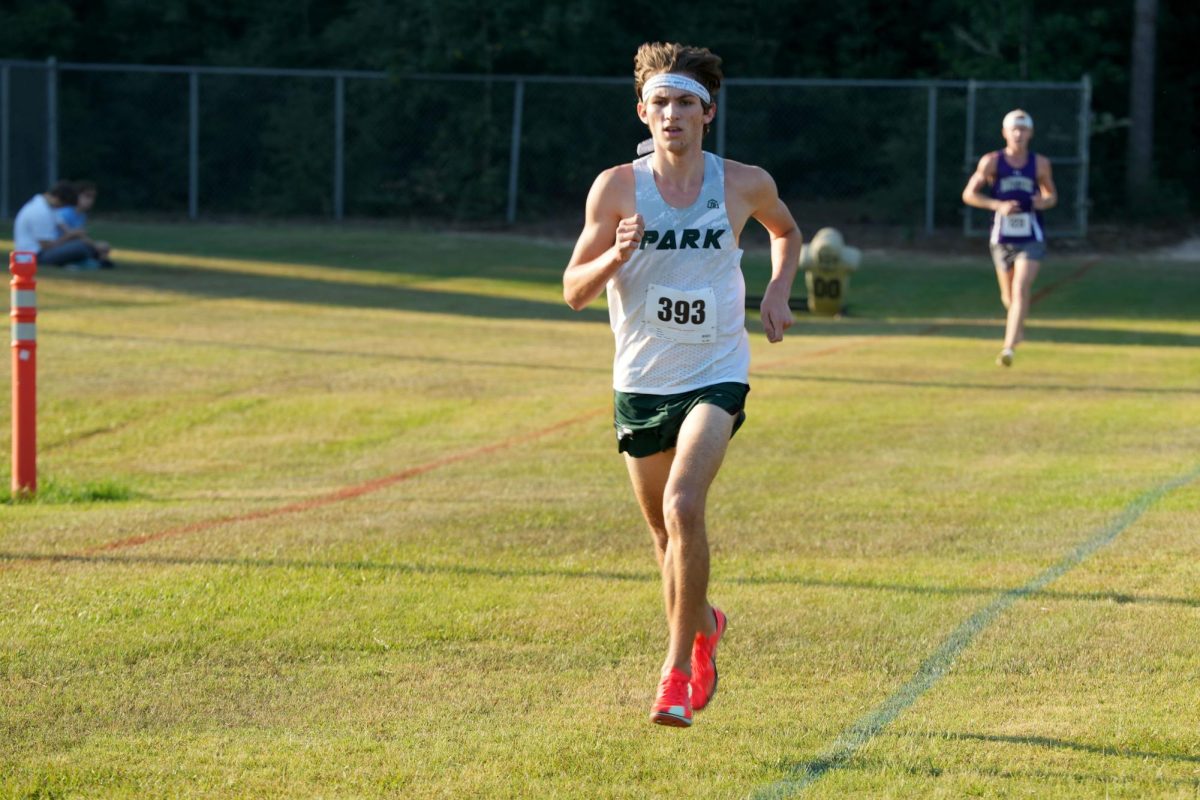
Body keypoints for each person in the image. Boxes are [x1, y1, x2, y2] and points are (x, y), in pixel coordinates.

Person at [563, 42, 803, 728]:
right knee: (667, 544)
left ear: (708, 113)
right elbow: (574, 291)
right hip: (640, 379)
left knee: (684, 505)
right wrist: (616, 252)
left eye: (685, 103)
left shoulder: (743, 183)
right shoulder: (615, 189)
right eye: (660, 103)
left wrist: (778, 290)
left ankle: (674, 672)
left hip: (715, 370)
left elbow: (785, 231)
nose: (672, 115)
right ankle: (706, 622)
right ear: (643, 111)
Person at [962, 109, 1058, 367]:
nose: (1018, 134)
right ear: (1005, 133)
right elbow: (970, 194)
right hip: (1002, 236)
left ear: (1030, 133)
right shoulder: (992, 162)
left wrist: (1042, 202)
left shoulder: (1039, 163)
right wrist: (997, 205)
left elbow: (1051, 196)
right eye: (1014, 129)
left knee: (1020, 289)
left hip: (1031, 235)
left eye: (1023, 129)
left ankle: (1008, 348)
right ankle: (1018, 328)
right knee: (1009, 297)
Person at [13, 180, 111, 269]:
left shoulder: (49, 207)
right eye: (63, 206)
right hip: (34, 256)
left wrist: (79, 236)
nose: (61, 209)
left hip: (44, 251)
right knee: (81, 247)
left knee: (84, 245)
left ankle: (86, 262)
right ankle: (91, 262)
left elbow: (65, 228)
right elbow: (46, 246)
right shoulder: (40, 212)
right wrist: (69, 236)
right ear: (58, 199)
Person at [55, 180, 114, 268]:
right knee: (85, 248)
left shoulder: (82, 215)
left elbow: (81, 236)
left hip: (76, 244)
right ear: (76, 196)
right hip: (61, 246)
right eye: (87, 196)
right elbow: (70, 235)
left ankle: (99, 261)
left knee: (103, 246)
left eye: (92, 197)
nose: (90, 200)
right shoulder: (65, 212)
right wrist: (94, 245)